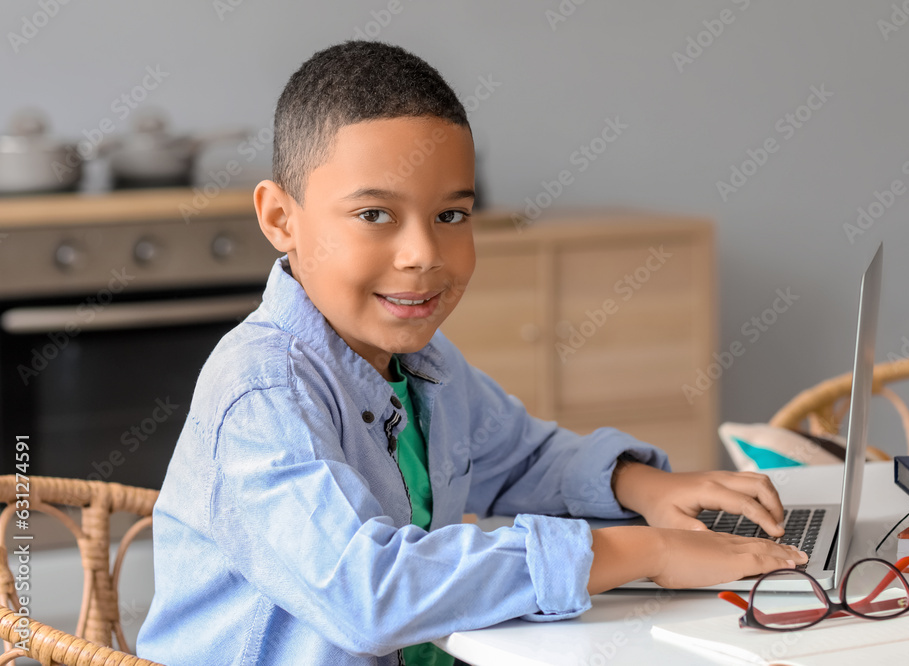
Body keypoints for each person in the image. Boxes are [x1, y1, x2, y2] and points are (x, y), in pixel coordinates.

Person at [136, 40, 806, 666]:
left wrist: (649, 488)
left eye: (451, 216)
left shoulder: (427, 366)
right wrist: (647, 551)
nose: (424, 254)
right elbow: (371, 593)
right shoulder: (263, 392)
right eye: (375, 215)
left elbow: (523, 458)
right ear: (281, 218)